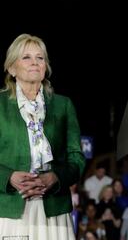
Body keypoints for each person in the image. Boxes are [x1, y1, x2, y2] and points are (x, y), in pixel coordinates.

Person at [0, 34, 86, 239]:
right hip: (8, 209)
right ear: (12, 68)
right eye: (26, 57)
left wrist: (55, 177)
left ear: (45, 67)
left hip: (54, 210)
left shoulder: (63, 105)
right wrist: (9, 177)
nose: (35, 63)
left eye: (40, 58)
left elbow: (77, 159)